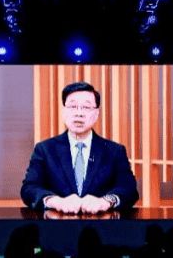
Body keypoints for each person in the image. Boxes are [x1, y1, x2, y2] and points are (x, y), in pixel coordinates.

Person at [20, 81, 139, 214]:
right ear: (64, 111)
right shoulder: (45, 149)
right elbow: (29, 188)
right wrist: (56, 201)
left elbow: (129, 189)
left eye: (86, 107)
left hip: (101, 223)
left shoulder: (114, 151)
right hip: (57, 223)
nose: (79, 113)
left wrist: (106, 201)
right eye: (73, 106)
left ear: (96, 114)